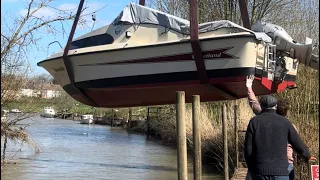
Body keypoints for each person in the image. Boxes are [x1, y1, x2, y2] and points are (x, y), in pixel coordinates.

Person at [245, 75, 296, 179]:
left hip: (263, 165)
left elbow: (254, 103)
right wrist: (306, 155)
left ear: (274, 108)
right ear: (286, 112)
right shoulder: (289, 125)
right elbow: (297, 143)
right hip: (285, 164)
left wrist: (249, 86)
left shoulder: (261, 118)